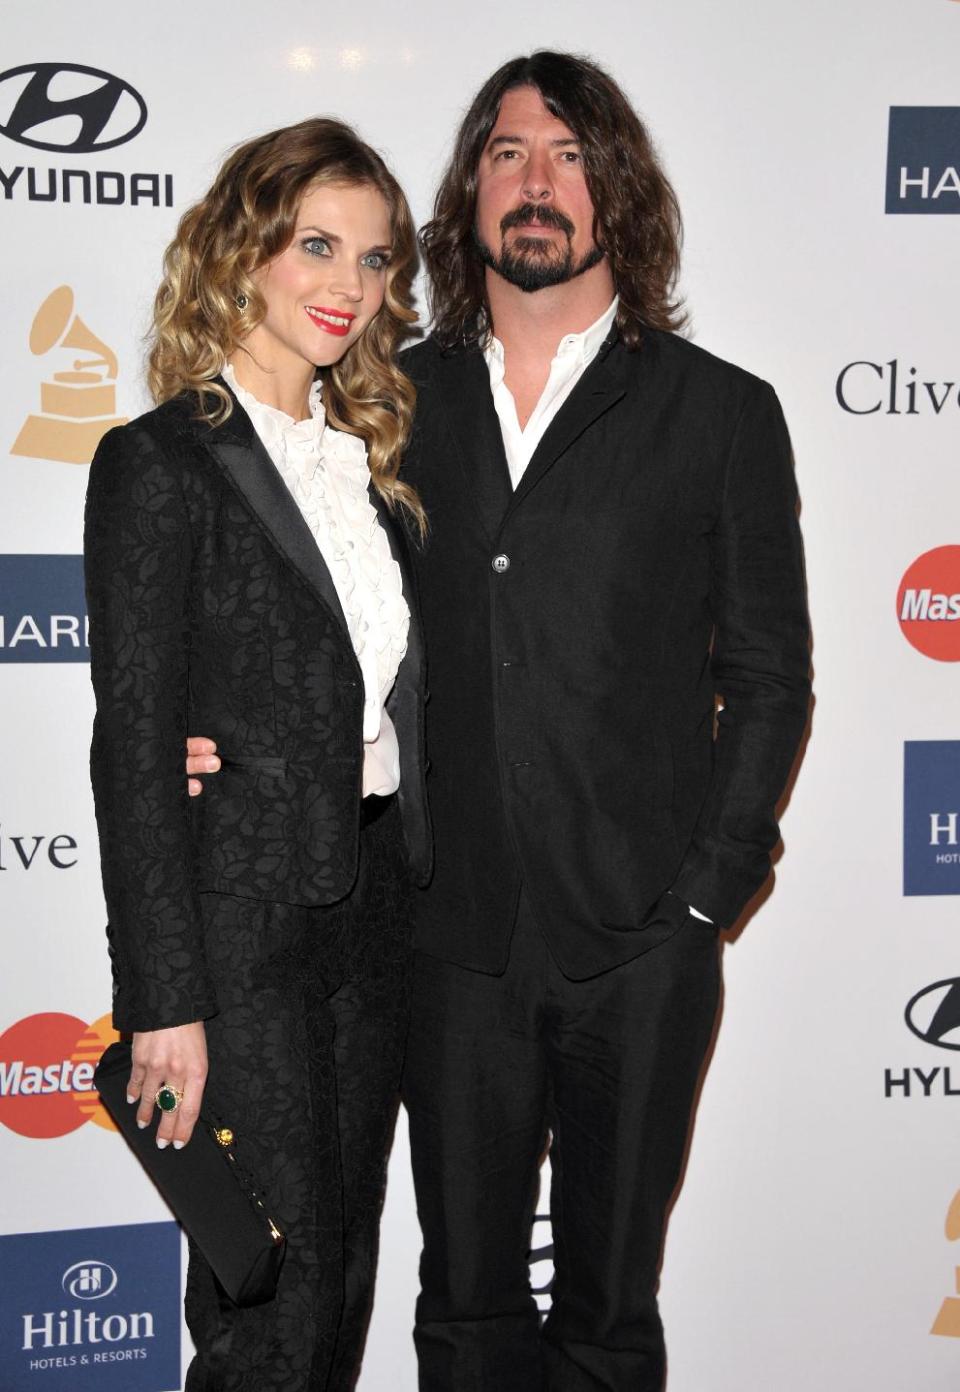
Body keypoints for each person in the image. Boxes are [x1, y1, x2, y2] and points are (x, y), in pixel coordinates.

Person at [188, 49, 811, 1392]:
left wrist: (706, 896)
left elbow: (770, 674)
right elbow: (305, 621)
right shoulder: (384, 405)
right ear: (468, 190)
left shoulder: (720, 416)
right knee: (462, 1307)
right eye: (511, 154)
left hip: (641, 943)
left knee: (608, 1311)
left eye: (571, 156)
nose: (538, 184)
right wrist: (211, 722)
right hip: (445, 938)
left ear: (618, 195)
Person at [86, 117, 430, 1392]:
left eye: (379, 260)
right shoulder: (160, 463)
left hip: (376, 910)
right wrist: (161, 1000)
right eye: (319, 246)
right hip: (238, 932)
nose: (351, 285)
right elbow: (132, 749)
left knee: (341, 1278)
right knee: (266, 1293)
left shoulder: (373, 471)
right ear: (245, 250)